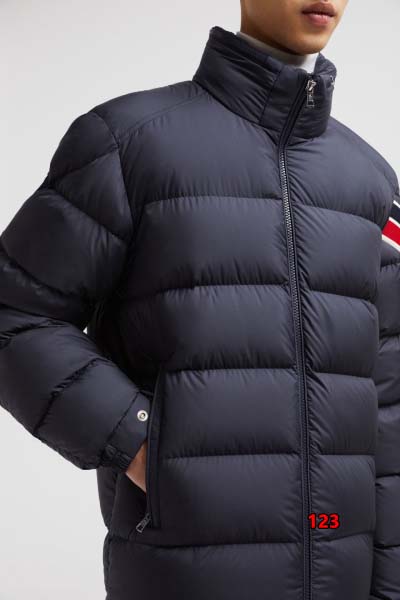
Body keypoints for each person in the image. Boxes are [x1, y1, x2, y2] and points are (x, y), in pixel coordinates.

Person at [1, 1, 399, 598]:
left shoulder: (373, 184)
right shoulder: (128, 144)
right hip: (185, 573)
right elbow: (16, 311)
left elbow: (389, 397)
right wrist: (143, 444)